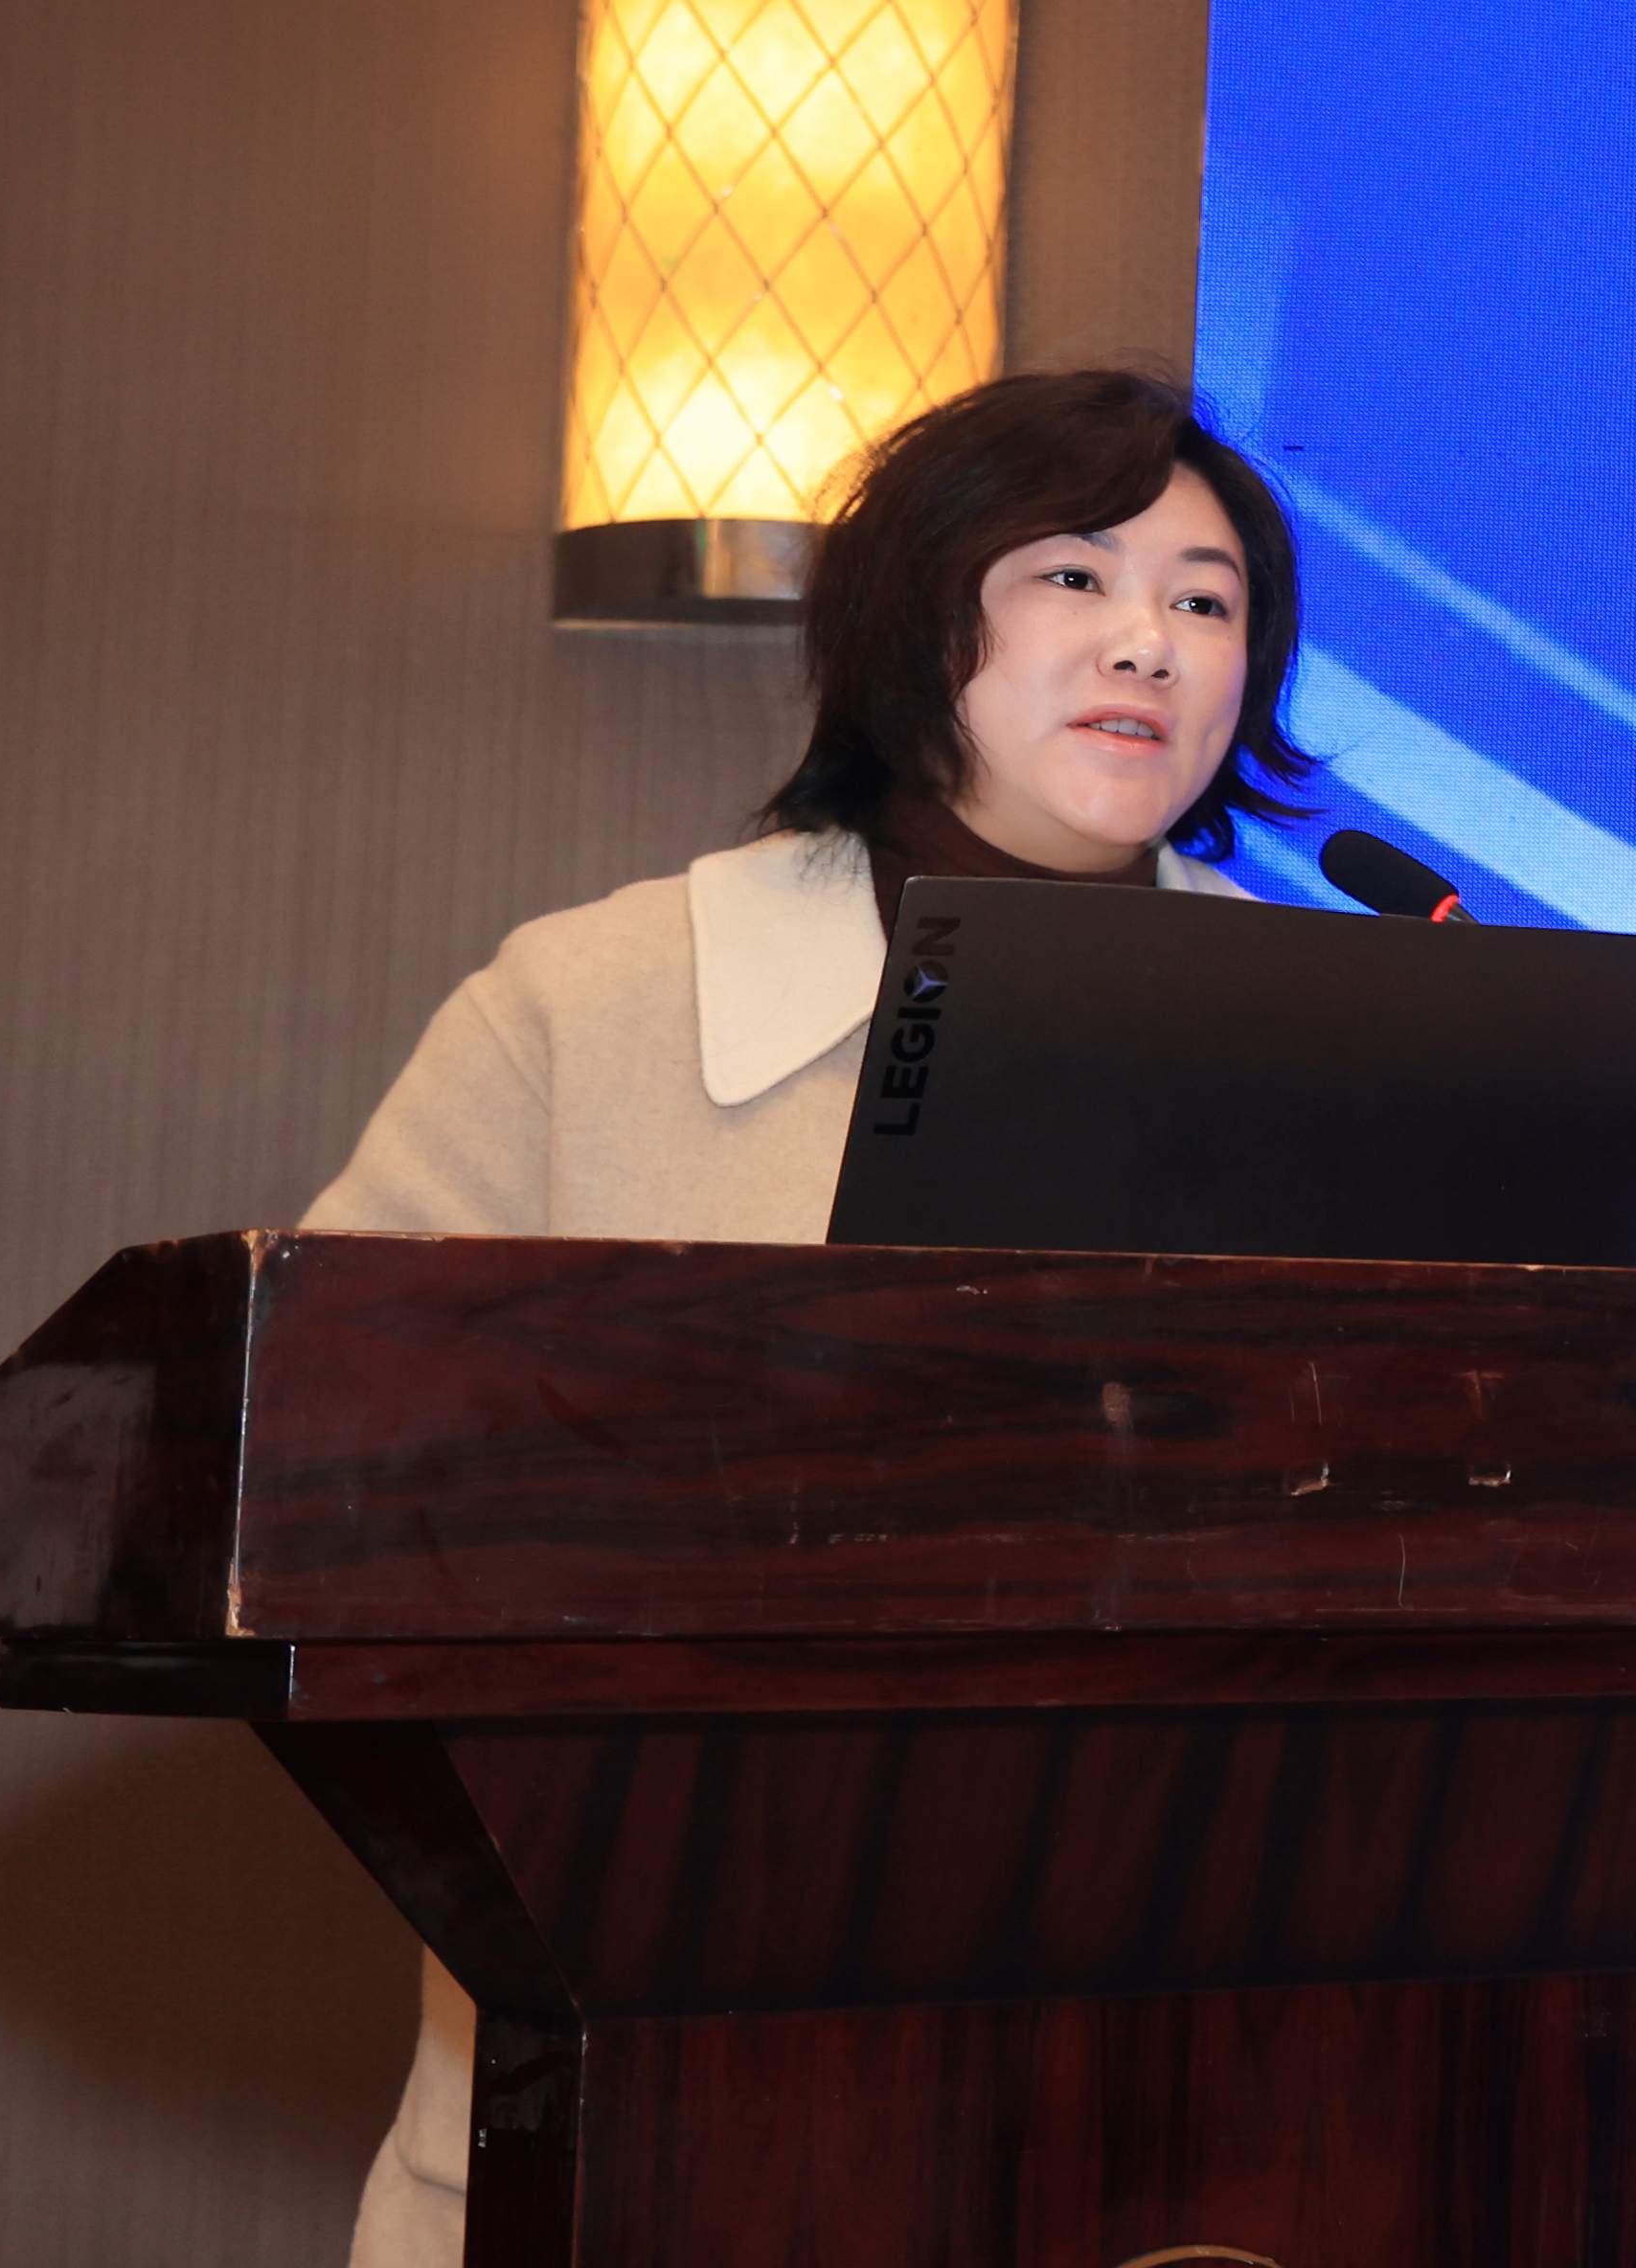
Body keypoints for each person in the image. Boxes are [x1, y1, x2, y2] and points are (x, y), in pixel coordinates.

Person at [300, 369, 1317, 2266]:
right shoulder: (597, 1001)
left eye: (1206, 600)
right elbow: (325, 1461)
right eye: (1075, 577)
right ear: (917, 617)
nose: (1150, 643)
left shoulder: (1335, 1048)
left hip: (1206, 2094)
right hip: (669, 2063)